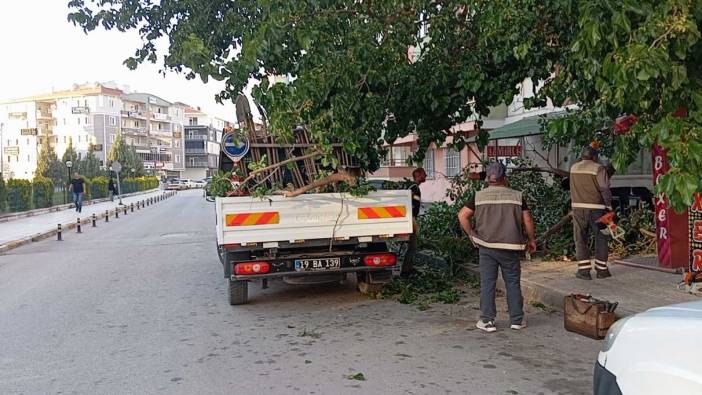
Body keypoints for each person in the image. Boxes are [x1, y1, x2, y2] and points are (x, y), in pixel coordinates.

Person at [458, 163, 536, 333]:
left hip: (487, 247)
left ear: (487, 179)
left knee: (488, 283)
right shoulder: (517, 196)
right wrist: (531, 240)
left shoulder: (478, 196)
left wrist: (472, 234)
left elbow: (462, 215)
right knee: (513, 283)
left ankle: (487, 321)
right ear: (505, 179)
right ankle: (516, 320)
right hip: (511, 247)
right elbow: (528, 220)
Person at [569, 145, 613, 280]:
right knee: (601, 237)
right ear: (595, 157)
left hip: (578, 209)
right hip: (597, 209)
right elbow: (604, 188)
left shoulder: (573, 168)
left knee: (580, 238)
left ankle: (583, 271)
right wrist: (608, 205)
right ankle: (601, 270)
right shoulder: (598, 168)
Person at [402, 168, 427, 278]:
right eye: (424, 174)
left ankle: (409, 268)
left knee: (412, 246)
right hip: (411, 220)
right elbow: (409, 200)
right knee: (413, 246)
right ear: (418, 175)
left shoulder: (414, 187)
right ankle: (405, 271)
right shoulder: (413, 187)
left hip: (411, 219)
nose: (425, 175)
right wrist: (412, 220)